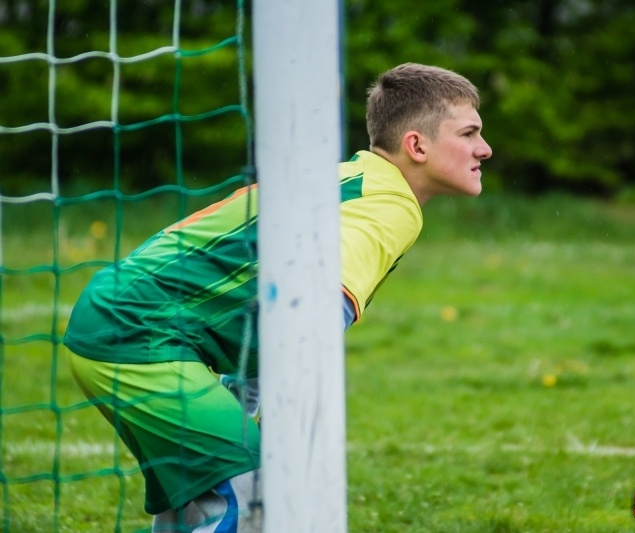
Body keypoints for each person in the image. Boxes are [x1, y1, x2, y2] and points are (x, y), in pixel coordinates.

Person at [65, 62, 492, 532]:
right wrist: (285, 421)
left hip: (122, 322)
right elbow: (311, 317)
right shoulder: (389, 208)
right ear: (416, 145)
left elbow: (269, 312)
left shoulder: (352, 180)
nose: (484, 149)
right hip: (137, 336)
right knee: (248, 503)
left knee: (210, 497)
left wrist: (248, 410)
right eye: (469, 133)